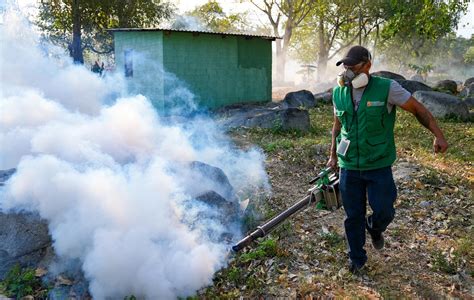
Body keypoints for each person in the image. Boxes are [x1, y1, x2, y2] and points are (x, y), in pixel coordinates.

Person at [326, 45, 448, 274]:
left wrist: (438, 135)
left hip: (378, 164)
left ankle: (375, 227)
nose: (347, 72)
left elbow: (418, 110)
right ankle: (357, 259)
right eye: (345, 67)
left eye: (353, 67)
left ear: (368, 65)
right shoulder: (338, 92)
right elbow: (337, 125)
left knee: (384, 211)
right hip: (349, 165)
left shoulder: (387, 88)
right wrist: (333, 155)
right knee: (353, 216)